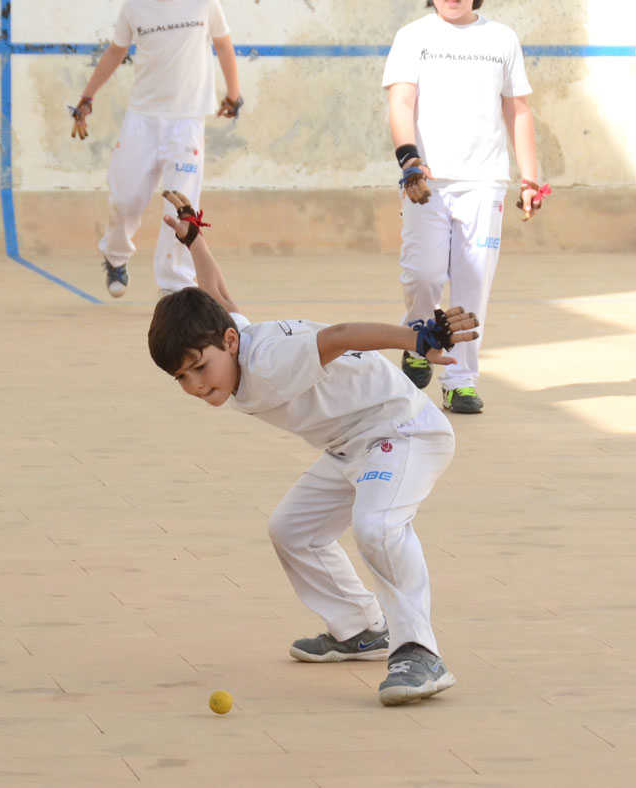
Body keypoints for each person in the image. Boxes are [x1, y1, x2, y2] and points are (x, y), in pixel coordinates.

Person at [147, 191, 481, 706]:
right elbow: (216, 293)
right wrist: (195, 241)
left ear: (229, 346)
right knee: (292, 531)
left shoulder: (272, 360)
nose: (194, 384)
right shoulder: (231, 337)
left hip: (404, 431)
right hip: (351, 446)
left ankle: (419, 651)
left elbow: (342, 335)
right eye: (181, 377)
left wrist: (414, 339)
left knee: (377, 525)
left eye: (198, 367)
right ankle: (361, 628)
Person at [383, 0, 548, 413]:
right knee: (424, 274)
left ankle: (460, 380)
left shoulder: (502, 38)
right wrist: (409, 160)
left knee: (473, 283)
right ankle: (418, 338)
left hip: (485, 181)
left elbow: (517, 109)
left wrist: (529, 177)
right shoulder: (413, 37)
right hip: (426, 180)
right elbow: (401, 103)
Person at [70, 0, 242, 299]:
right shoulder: (133, 7)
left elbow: (224, 45)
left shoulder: (205, 4)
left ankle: (174, 286)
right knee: (125, 198)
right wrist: (87, 98)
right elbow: (115, 51)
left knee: (182, 206)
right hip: (142, 119)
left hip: (187, 122)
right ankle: (116, 255)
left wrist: (234, 95)